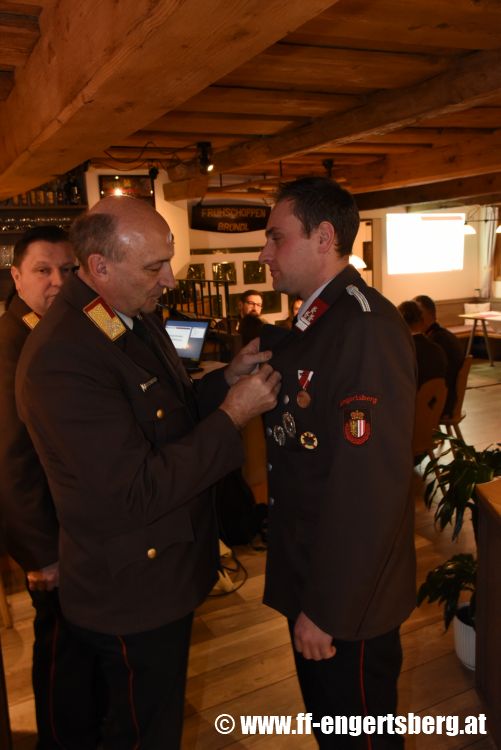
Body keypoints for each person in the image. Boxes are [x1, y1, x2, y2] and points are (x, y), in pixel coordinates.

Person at [15, 197, 280, 749]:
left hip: (159, 576)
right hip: (131, 589)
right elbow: (133, 492)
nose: (170, 279)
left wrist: (225, 380)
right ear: (100, 266)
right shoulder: (62, 355)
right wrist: (232, 417)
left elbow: (165, 410)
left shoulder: (108, 315)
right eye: (154, 266)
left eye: (169, 261)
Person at [258, 177, 416, 749]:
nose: (264, 253)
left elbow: (367, 489)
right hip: (314, 572)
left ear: (324, 238)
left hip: (347, 599)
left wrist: (326, 608)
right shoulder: (317, 321)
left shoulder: (363, 326)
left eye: (276, 238)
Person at [0, 226, 99, 749]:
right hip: (53, 539)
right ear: (16, 277)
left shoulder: (73, 323)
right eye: (43, 270)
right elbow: (10, 462)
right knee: (62, 655)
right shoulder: (11, 343)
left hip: (83, 531)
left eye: (67, 269)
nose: (58, 280)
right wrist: (40, 553)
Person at [414, 294, 464, 417]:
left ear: (423, 316)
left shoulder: (434, 343)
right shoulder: (445, 336)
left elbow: (426, 379)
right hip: (451, 400)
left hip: (439, 404)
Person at [398, 300, 447, 388]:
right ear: (422, 320)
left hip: (412, 396)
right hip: (439, 396)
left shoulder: (404, 352)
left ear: (400, 323)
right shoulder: (437, 349)